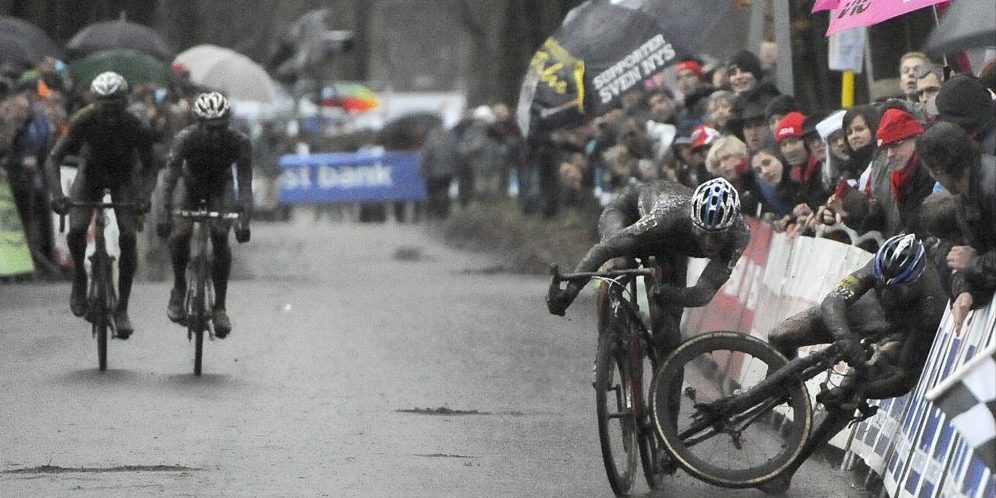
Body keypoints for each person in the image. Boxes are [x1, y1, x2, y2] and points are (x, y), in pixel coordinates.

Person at [763, 234, 946, 494]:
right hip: (870, 308)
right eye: (881, 284)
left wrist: (858, 391)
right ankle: (776, 390)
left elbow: (903, 378)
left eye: (895, 288)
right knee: (780, 335)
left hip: (903, 331)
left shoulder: (931, 307)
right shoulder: (879, 267)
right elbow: (833, 300)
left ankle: (786, 469)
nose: (886, 291)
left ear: (915, 281)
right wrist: (844, 338)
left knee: (847, 396)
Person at [547, 178, 750, 357]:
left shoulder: (739, 235)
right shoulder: (671, 216)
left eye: (716, 236)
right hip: (629, 215)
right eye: (702, 233)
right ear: (692, 220)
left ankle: (662, 399)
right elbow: (605, 249)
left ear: (730, 228)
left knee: (669, 338)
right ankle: (605, 340)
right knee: (621, 264)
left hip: (670, 247)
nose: (708, 244)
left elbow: (704, 292)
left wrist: (669, 295)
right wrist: (569, 293)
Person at [44, 72, 156, 338]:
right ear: (95, 102)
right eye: (103, 103)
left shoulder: (135, 124)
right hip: (90, 175)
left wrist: (144, 195)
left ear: (125, 101)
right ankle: (80, 280)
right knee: (76, 230)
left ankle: (122, 309)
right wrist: (58, 194)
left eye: (115, 102)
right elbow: (53, 159)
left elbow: (152, 165)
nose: (109, 110)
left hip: (123, 178)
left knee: (128, 236)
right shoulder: (84, 119)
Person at [157, 92, 252, 339]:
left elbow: (244, 183)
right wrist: (164, 211)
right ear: (198, 123)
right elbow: (170, 178)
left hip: (221, 185)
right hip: (190, 184)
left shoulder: (239, 142)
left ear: (228, 124)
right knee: (181, 233)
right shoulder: (185, 139)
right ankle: (179, 287)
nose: (214, 134)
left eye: (220, 128)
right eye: (209, 128)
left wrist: (244, 219)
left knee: (221, 235)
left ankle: (220, 306)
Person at [917, 122, 996, 332]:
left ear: (938, 168)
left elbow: (972, 258)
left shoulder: (991, 185)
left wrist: (973, 264)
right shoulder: (963, 195)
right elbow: (968, 250)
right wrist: (967, 292)